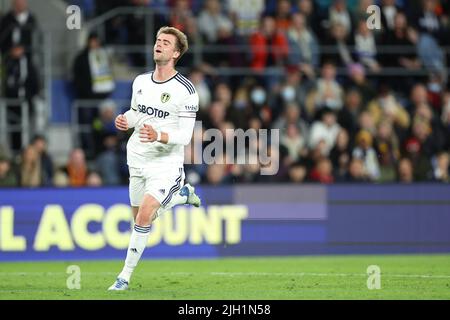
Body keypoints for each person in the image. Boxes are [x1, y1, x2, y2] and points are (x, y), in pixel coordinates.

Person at [108, 26, 201, 291]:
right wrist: (127, 119)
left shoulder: (186, 90)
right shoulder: (140, 81)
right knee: (140, 217)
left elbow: (184, 136)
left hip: (165, 163)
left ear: (176, 52)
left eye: (165, 42)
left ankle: (123, 277)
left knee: (144, 215)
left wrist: (158, 134)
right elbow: (138, 113)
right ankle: (182, 195)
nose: (158, 44)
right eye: (157, 40)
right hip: (137, 159)